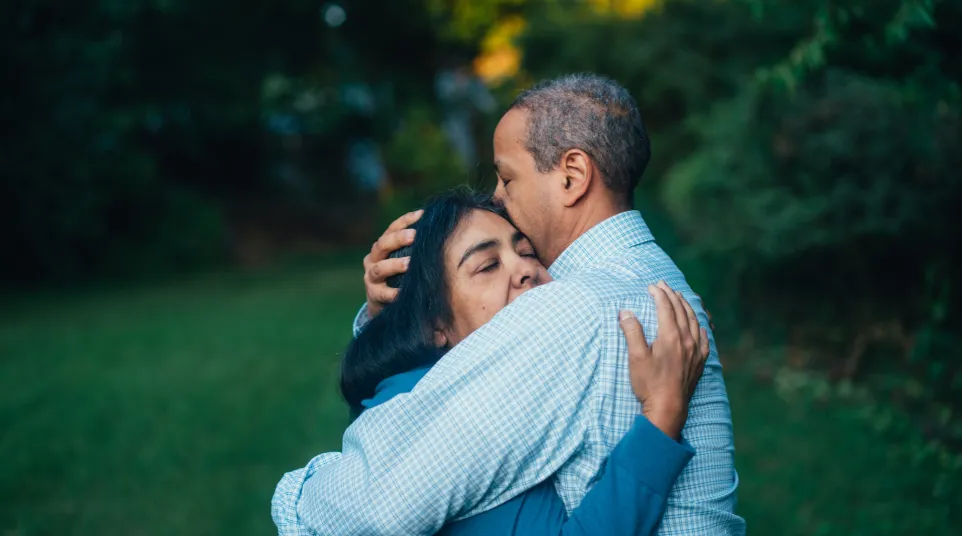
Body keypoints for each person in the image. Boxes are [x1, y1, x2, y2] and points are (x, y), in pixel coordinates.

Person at [274, 74, 743, 535]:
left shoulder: (572, 310)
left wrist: (296, 492)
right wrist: (394, 315)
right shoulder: (649, 281)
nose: (497, 198)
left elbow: (374, 505)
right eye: (487, 264)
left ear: (572, 176)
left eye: (507, 177)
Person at [321, 190, 707, 534]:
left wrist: (382, 319)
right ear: (435, 324)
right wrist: (662, 416)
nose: (525, 269)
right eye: (488, 266)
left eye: (526, 252)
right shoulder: (467, 425)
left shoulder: (404, 389)